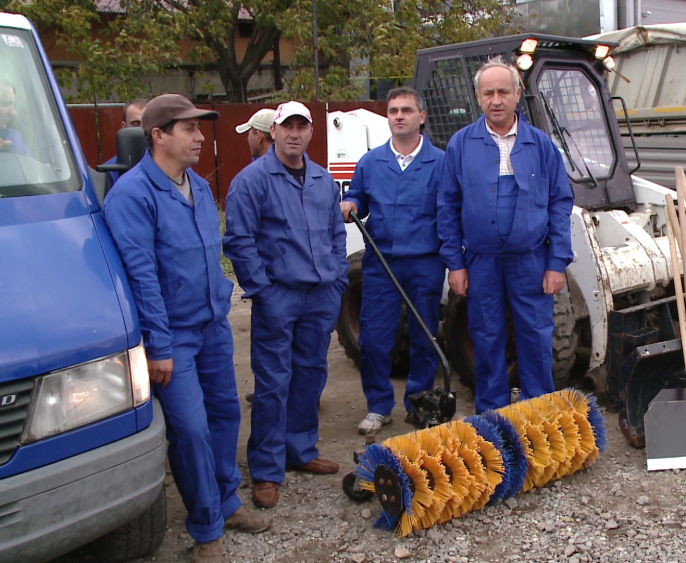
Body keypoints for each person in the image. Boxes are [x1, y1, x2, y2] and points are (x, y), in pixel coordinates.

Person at [103, 94, 271, 563]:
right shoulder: (133, 196)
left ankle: (228, 500)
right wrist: (157, 346)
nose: (200, 137)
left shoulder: (196, 185)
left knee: (225, 416)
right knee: (192, 429)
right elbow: (141, 277)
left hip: (212, 327)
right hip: (172, 336)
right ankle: (206, 527)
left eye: (200, 128)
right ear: (158, 135)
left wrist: (220, 297)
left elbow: (209, 254)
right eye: (189, 129)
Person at [223, 101, 348, 509]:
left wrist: (337, 278)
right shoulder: (252, 181)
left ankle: (300, 450)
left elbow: (335, 233)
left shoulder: (323, 181)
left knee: (311, 374)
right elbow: (239, 241)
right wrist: (262, 289)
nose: (294, 133)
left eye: (302, 126)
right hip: (279, 295)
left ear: (311, 133)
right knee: (274, 382)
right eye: (287, 126)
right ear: (273, 131)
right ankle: (266, 468)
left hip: (320, 296)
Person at [437, 57, 575, 414]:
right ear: (478, 98)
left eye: (503, 91)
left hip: (531, 260)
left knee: (535, 339)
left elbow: (560, 204)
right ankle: (493, 419)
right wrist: (456, 264)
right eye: (488, 93)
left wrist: (557, 262)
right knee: (486, 338)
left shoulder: (542, 146)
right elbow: (448, 207)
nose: (495, 99)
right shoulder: (461, 145)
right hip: (480, 261)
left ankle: (537, 417)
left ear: (517, 94)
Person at [340, 87, 446, 434]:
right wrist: (352, 204)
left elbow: (449, 211)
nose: (398, 116)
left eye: (406, 110)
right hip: (381, 263)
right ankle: (379, 406)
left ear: (421, 117)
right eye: (393, 111)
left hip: (424, 263)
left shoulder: (441, 162)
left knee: (424, 336)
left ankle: (418, 403)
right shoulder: (371, 162)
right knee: (374, 339)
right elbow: (357, 196)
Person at [102, 98, 148, 186]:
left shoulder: (169, 166)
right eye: (135, 124)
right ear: (124, 127)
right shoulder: (109, 173)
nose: (142, 129)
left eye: (147, 123)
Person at [0, 81, 29, 156]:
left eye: (13, 104)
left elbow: (29, 166)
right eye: (6, 103)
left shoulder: (13, 139)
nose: (13, 112)